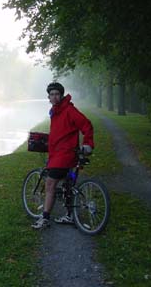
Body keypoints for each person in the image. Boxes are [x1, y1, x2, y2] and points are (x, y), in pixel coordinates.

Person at [31, 82, 94, 229]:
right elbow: (61, 132)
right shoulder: (55, 111)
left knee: (50, 183)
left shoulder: (69, 110)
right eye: (51, 94)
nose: (54, 97)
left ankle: (45, 218)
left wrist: (88, 143)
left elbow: (87, 125)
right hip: (59, 153)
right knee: (67, 185)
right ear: (49, 97)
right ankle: (70, 215)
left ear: (61, 95)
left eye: (57, 94)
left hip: (64, 154)